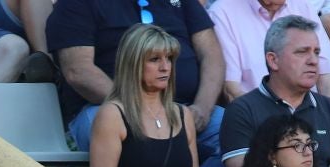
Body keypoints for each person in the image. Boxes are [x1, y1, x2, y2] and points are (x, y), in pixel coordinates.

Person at [87, 25, 218, 167]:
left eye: (169, 59)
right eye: (154, 59)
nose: (165, 67)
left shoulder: (182, 114)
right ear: (134, 64)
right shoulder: (112, 114)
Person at [49, 0, 222, 150]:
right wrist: (145, 109)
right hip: (112, 107)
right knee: (136, 140)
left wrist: (202, 108)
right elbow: (79, 71)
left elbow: (212, 55)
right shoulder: (76, 3)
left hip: (185, 108)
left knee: (234, 130)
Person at [219, 17, 330, 167]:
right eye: (302, 52)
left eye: (316, 52)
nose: (313, 61)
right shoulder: (242, 110)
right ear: (273, 60)